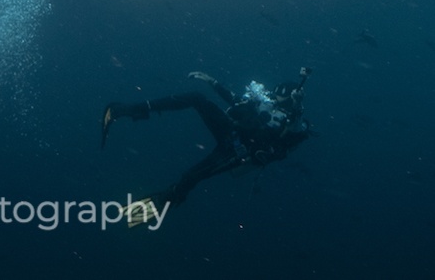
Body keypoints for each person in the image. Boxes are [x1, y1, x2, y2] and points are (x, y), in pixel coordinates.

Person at [102, 67, 311, 224]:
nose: (275, 97)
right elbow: (236, 101)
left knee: (192, 176)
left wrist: (298, 105)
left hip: (240, 152)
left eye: (281, 94)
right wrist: (212, 82)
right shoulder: (269, 104)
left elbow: (295, 126)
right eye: (276, 93)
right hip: (232, 133)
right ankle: (129, 110)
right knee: (196, 98)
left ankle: (160, 203)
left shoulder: (293, 120)